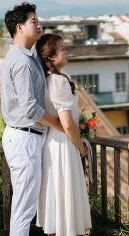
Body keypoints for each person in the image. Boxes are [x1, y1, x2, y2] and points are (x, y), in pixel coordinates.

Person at [0, 2, 64, 236]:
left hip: (28, 137)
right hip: (23, 137)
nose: (39, 25)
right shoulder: (21, 61)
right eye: (33, 21)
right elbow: (29, 108)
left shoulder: (31, 56)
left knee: (27, 206)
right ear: (20, 27)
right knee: (24, 209)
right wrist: (59, 124)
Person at [36, 34, 92, 235]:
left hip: (51, 143)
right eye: (62, 49)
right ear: (50, 57)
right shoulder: (59, 81)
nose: (66, 52)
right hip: (63, 144)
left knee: (56, 197)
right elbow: (67, 124)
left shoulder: (47, 80)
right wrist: (80, 146)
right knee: (66, 195)